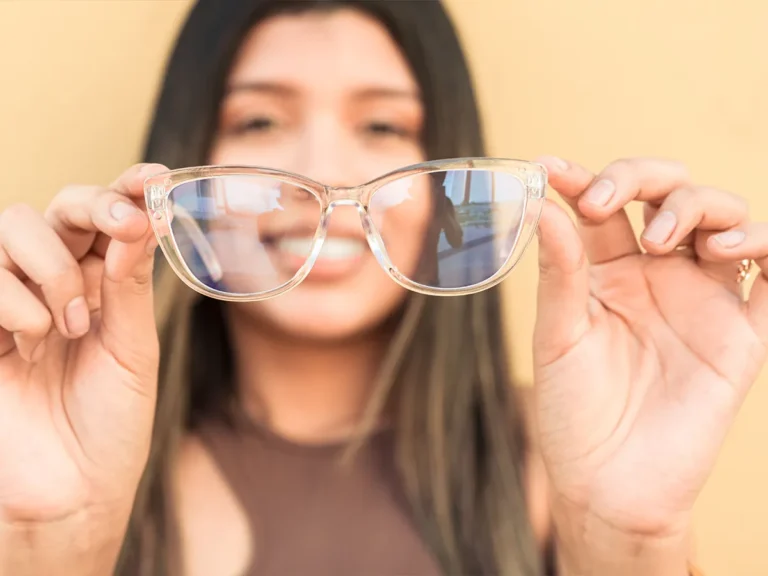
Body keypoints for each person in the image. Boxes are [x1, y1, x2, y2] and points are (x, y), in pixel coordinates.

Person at [0, 1, 764, 575]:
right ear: (180, 168)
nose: (326, 170)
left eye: (386, 128)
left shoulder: (566, 461)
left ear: (448, 181)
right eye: (260, 120)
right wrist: (47, 540)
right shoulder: (80, 470)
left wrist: (633, 542)